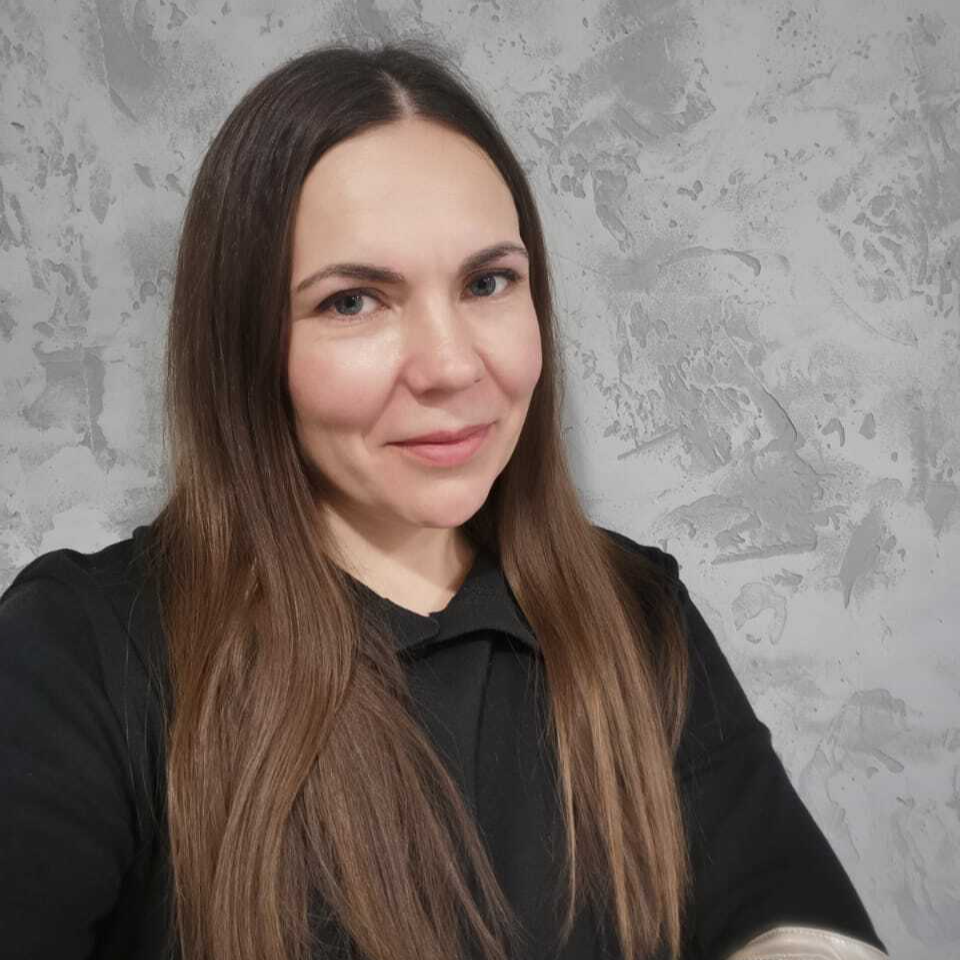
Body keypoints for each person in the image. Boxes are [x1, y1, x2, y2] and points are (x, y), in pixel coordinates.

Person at [0, 40, 890, 960]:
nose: (452, 366)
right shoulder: (81, 655)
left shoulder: (637, 613)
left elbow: (793, 923)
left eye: (487, 283)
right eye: (353, 301)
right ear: (245, 344)